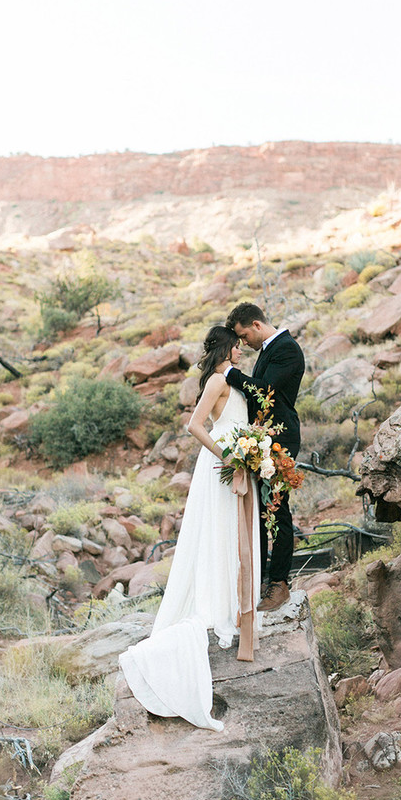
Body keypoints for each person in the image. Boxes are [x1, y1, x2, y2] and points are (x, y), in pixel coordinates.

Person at [119, 326, 261, 731]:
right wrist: (229, 454)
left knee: (234, 538)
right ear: (227, 347)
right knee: (219, 538)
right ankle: (218, 608)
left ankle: (233, 604)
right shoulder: (218, 380)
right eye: (236, 344)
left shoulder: (229, 379)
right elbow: (196, 426)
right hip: (222, 465)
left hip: (239, 463)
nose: (240, 349)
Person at [224, 302, 305, 612]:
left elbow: (264, 390)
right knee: (260, 509)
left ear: (256, 325)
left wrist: (231, 373)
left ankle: (280, 582)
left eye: (244, 336)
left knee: (277, 509)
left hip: (281, 439)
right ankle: (259, 578)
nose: (244, 343)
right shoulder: (268, 351)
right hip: (263, 439)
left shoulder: (287, 349)